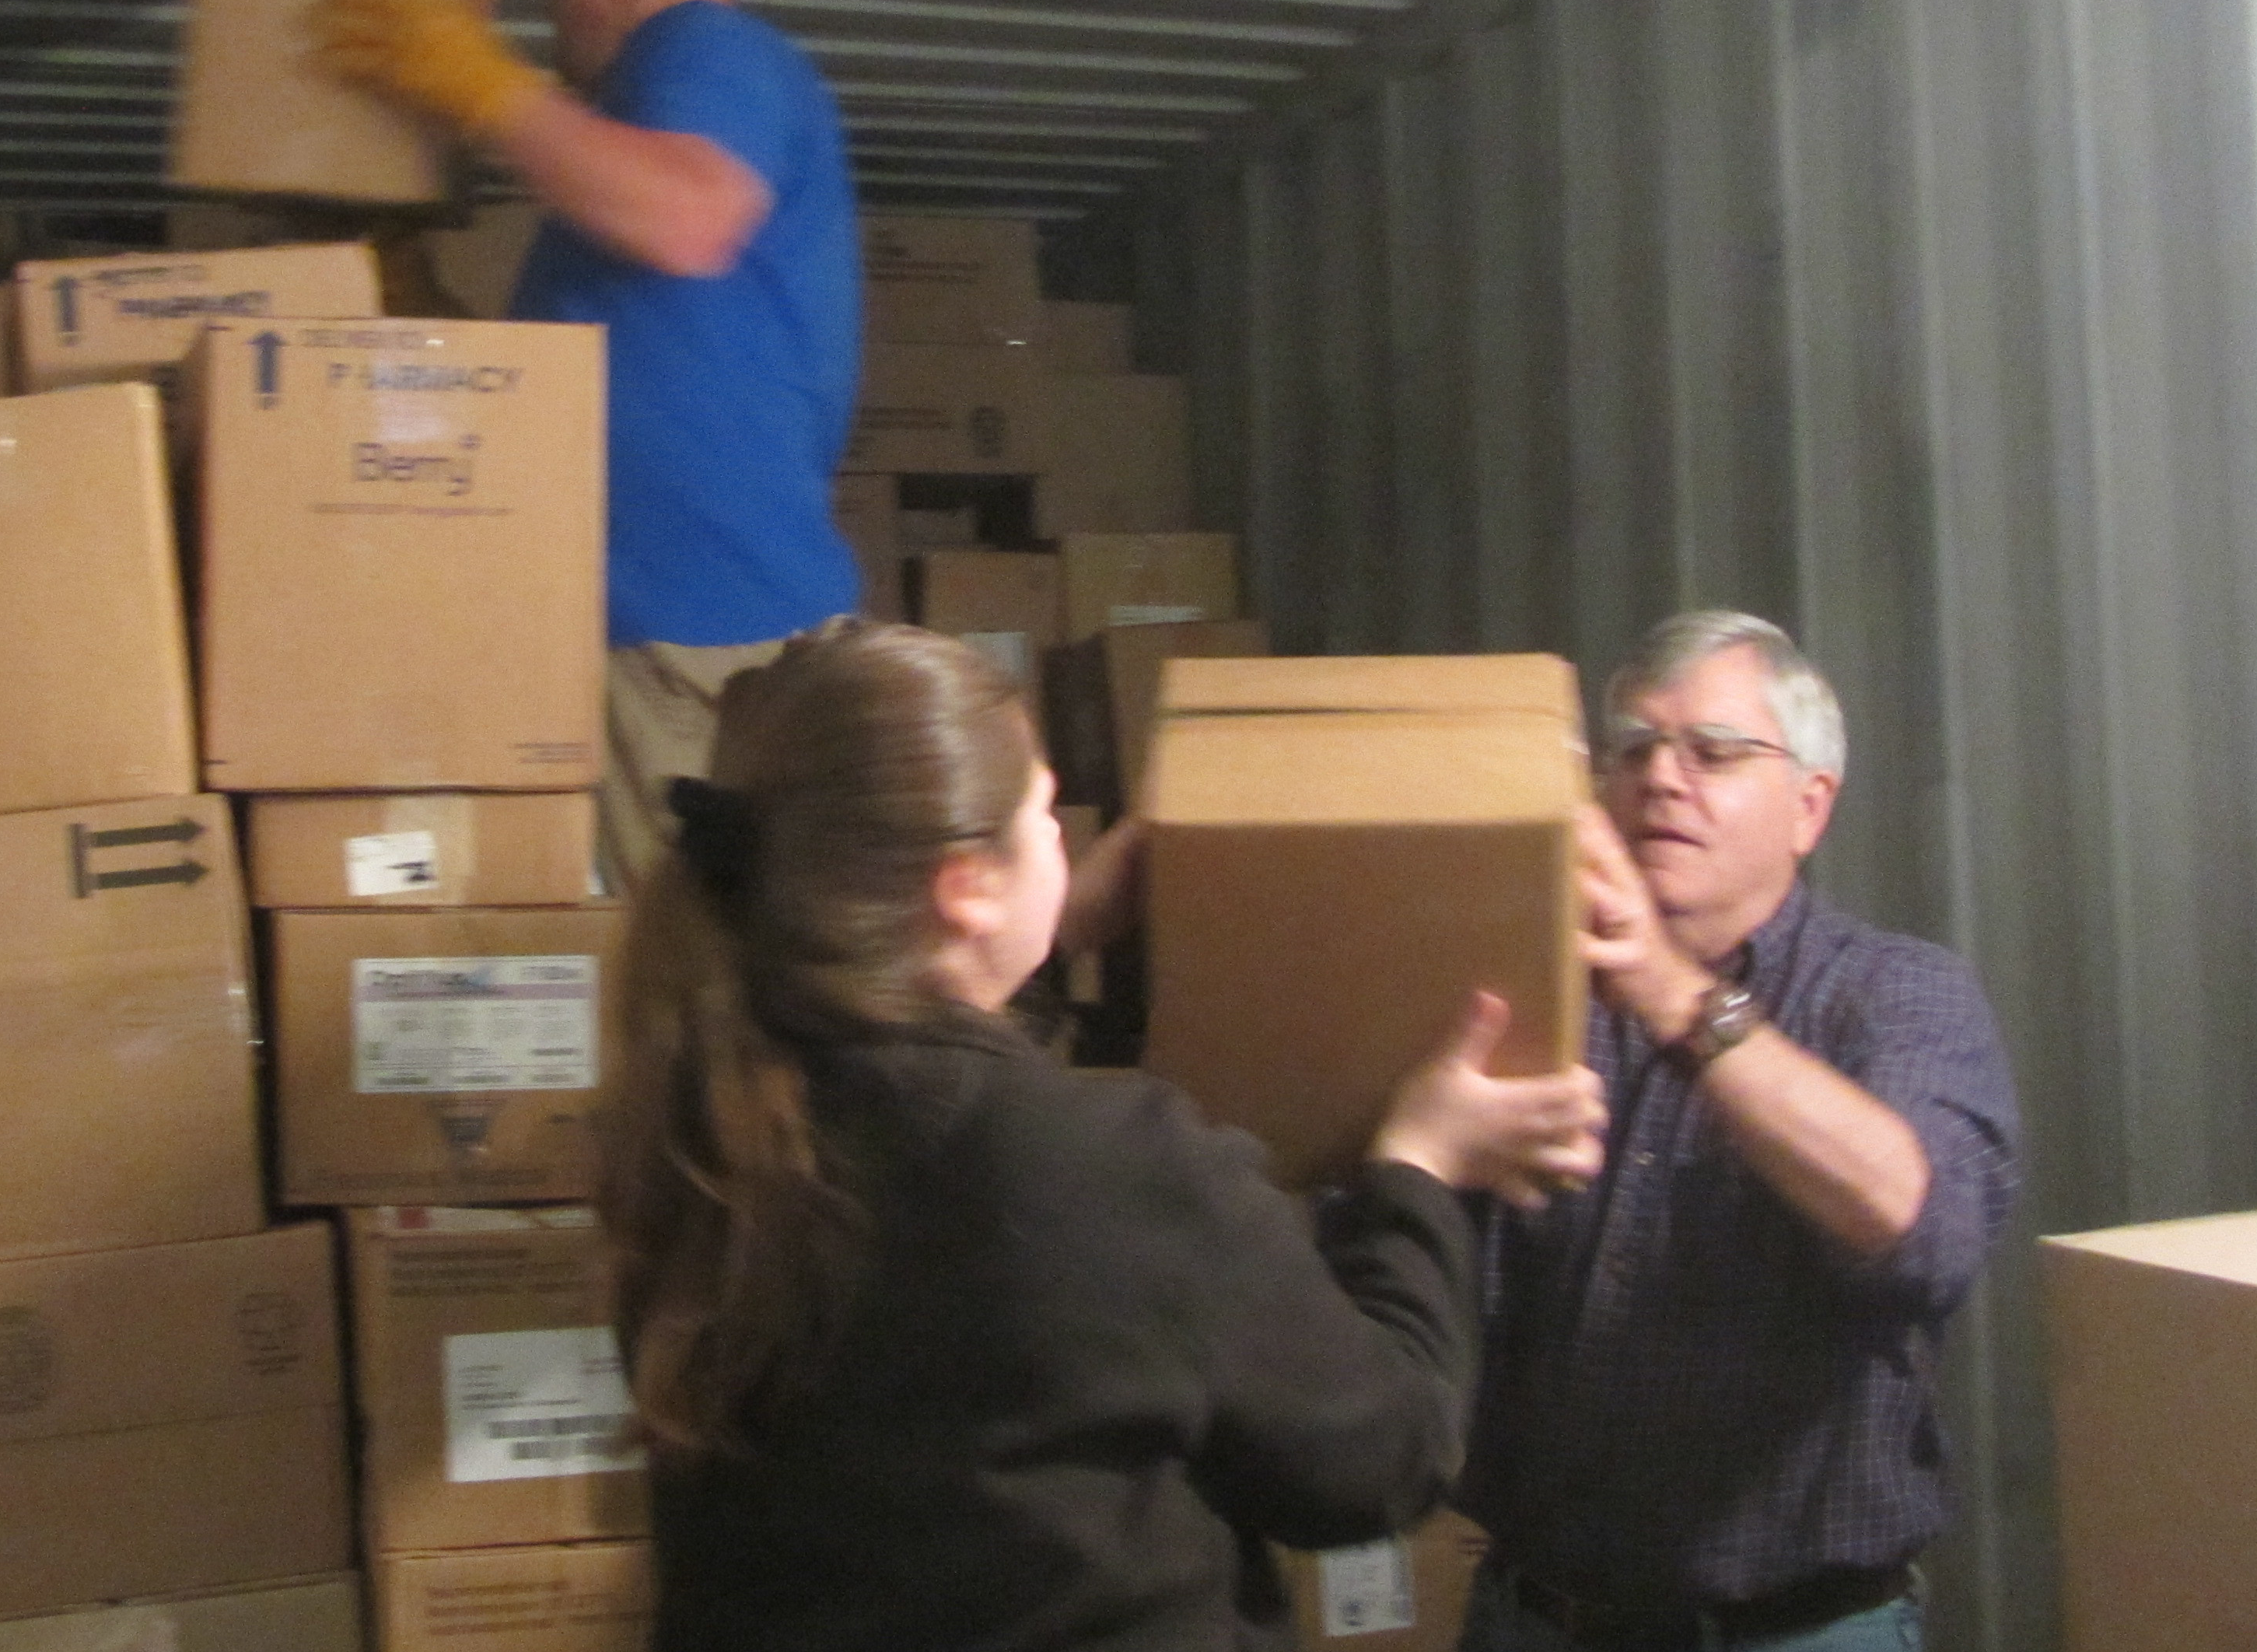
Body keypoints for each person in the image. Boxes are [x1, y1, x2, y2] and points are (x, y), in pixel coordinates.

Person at [600, 620, 1611, 1652]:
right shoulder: (1100, 1164)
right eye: (1045, 813)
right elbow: (1377, 1459)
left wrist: (1032, 945)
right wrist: (1419, 1173)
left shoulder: (701, 1123)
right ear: (965, 887)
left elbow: (916, 1107)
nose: (1066, 841)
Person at [1457, 611, 2021, 1652]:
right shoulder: (1528, 1005)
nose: (1661, 778)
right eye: (1632, 749)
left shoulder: (1897, 994)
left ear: (1811, 807)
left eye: (1713, 753)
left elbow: (1918, 1222)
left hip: (1794, 1634)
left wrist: (1674, 1000)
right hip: (1534, 1617)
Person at [311, 0, 861, 886]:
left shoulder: (705, 46)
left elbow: (688, 216)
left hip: (695, 640)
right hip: (682, 635)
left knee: (688, 1000)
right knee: (673, 994)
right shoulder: (631, 142)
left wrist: (477, 80)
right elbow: (586, 389)